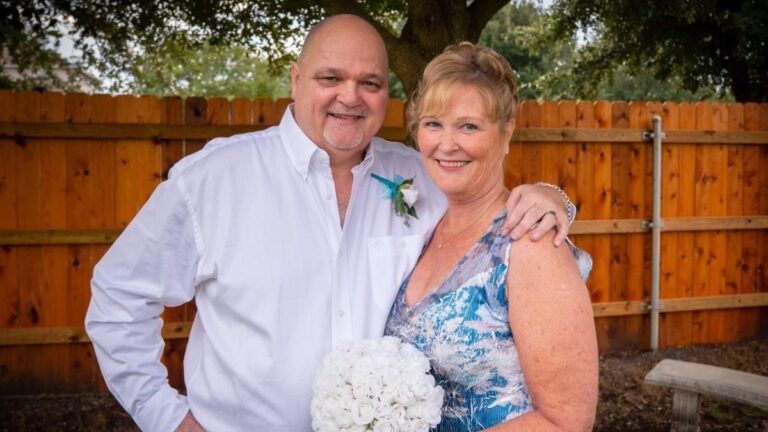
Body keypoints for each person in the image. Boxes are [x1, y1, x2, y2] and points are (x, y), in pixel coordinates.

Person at [85, 15, 576, 432]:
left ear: (387, 93)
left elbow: (490, 223)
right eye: (330, 78)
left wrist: (554, 198)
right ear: (296, 79)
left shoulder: (419, 175)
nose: (351, 96)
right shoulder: (213, 180)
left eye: (370, 83)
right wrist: (168, 419)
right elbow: (119, 296)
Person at [384, 42, 598, 431]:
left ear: (506, 132)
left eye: (469, 126)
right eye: (433, 123)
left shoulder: (530, 243)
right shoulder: (424, 227)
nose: (447, 144)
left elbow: (567, 422)